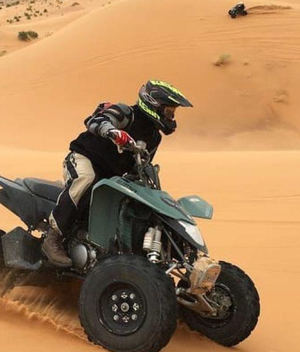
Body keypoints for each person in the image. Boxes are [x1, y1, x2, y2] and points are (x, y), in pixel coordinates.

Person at [42, 80, 193, 267]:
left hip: (110, 176)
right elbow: (95, 121)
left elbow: (141, 165)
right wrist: (112, 131)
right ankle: (53, 237)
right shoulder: (126, 113)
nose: (171, 117)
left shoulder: (154, 137)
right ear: (154, 105)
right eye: (169, 111)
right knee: (85, 179)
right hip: (84, 159)